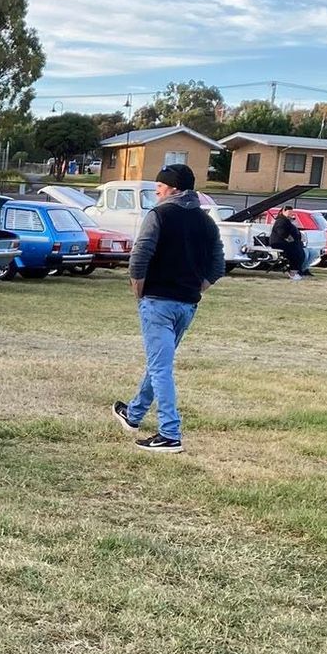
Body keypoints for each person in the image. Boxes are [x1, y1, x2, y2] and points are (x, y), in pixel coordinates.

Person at [112, 164, 225, 455]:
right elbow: (217, 264)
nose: (156, 190)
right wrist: (197, 288)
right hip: (187, 305)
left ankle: (169, 434)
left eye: (160, 185)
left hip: (158, 302)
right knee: (158, 362)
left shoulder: (159, 215)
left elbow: (140, 257)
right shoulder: (206, 221)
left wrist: (139, 291)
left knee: (161, 367)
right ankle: (134, 414)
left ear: (173, 188)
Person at [270, 204, 309, 279]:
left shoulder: (288, 221)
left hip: (286, 243)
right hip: (278, 243)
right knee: (295, 252)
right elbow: (282, 233)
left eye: (291, 213)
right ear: (283, 211)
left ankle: (298, 271)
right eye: (289, 212)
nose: (291, 214)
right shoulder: (281, 221)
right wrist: (291, 240)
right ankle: (293, 272)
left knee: (299, 251)